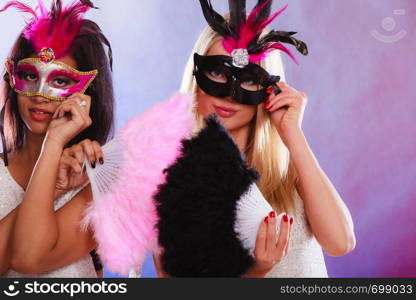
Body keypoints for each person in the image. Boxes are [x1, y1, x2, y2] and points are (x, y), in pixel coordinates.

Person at [171, 0, 356, 277]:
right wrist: (256, 270)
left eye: (248, 79)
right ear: (197, 77)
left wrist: (292, 134)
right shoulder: (172, 179)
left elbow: (340, 242)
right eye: (217, 73)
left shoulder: (289, 170)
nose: (230, 95)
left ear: (268, 87)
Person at [0, 0, 113, 277]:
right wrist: (54, 185)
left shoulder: (99, 181)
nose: (39, 94)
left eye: (60, 81)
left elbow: (28, 256)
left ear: (89, 92)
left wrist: (53, 146)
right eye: (29, 75)